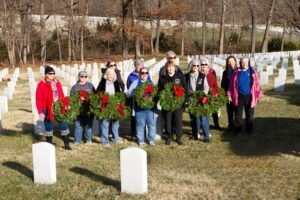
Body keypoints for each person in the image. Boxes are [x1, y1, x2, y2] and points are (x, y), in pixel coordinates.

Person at [36, 66, 71, 150]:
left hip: (58, 106)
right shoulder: (41, 84)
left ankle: (67, 144)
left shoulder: (57, 82)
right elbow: (38, 98)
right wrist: (40, 112)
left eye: (53, 73)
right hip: (46, 108)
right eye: (50, 73)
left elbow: (61, 94)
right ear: (46, 74)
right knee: (48, 127)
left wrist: (65, 104)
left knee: (63, 124)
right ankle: (49, 146)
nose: (52, 75)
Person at [227, 57, 263, 135]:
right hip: (239, 96)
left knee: (249, 114)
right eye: (243, 62)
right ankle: (238, 130)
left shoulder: (252, 71)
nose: (244, 64)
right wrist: (229, 95)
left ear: (248, 63)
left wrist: (259, 95)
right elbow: (231, 85)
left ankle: (249, 130)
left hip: (249, 96)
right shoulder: (236, 72)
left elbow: (257, 84)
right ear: (240, 63)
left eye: (246, 62)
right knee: (238, 115)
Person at [158, 62, 188, 145]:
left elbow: (185, 88)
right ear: (166, 69)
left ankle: (179, 137)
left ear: (175, 68)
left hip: (178, 103)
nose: (170, 69)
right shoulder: (162, 78)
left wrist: (186, 100)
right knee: (168, 121)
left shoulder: (179, 77)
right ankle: (169, 136)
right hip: (167, 104)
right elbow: (159, 90)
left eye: (172, 67)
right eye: (169, 67)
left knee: (178, 120)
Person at [127, 67, 157, 146]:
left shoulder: (151, 83)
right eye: (142, 73)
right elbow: (128, 94)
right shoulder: (135, 83)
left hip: (151, 109)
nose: (144, 74)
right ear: (139, 74)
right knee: (140, 125)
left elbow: (156, 95)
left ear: (148, 74)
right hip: (139, 109)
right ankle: (140, 140)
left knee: (151, 125)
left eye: (146, 73)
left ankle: (151, 140)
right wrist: (133, 92)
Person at [96, 67, 124, 147]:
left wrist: (118, 102)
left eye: (112, 74)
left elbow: (119, 94)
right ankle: (105, 142)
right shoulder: (102, 83)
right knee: (105, 124)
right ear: (106, 75)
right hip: (105, 105)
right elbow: (98, 93)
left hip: (115, 104)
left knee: (115, 123)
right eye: (109, 74)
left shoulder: (116, 83)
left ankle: (115, 139)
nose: (111, 76)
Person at [185, 59, 211, 142]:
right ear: (190, 66)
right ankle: (194, 134)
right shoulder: (186, 76)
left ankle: (206, 136)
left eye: (197, 66)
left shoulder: (202, 76)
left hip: (201, 99)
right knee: (193, 118)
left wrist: (203, 95)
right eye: (194, 65)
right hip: (191, 100)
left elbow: (206, 87)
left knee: (203, 117)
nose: (195, 67)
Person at [126, 59, 152, 138]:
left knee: (142, 118)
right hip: (135, 100)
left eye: (140, 65)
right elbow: (128, 87)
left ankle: (142, 134)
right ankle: (133, 133)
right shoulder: (131, 76)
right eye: (137, 65)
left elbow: (150, 84)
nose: (139, 66)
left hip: (145, 99)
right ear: (135, 66)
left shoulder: (146, 74)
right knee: (134, 117)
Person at [70, 71, 95, 145]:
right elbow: (72, 98)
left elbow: (94, 96)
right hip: (78, 108)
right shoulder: (75, 87)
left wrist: (87, 98)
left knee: (88, 125)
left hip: (88, 108)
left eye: (85, 76)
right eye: (82, 76)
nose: (83, 78)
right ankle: (77, 140)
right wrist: (78, 98)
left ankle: (88, 140)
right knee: (78, 125)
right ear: (79, 77)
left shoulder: (90, 86)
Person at [200, 58, 221, 130]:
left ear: (208, 65)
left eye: (205, 64)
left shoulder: (212, 72)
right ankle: (204, 125)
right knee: (204, 110)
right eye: (202, 64)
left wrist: (216, 93)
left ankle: (216, 124)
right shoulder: (199, 73)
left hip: (212, 93)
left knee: (214, 109)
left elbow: (215, 84)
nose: (203, 66)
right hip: (203, 94)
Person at [221, 56, 238, 131]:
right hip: (228, 95)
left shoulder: (238, 71)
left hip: (236, 95)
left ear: (235, 62)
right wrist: (224, 93)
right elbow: (223, 84)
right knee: (229, 112)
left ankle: (237, 126)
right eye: (229, 61)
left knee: (237, 111)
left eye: (232, 61)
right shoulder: (225, 72)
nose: (230, 63)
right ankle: (230, 126)